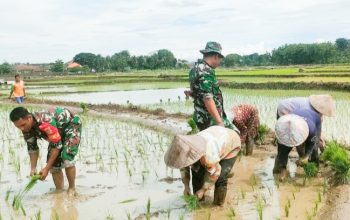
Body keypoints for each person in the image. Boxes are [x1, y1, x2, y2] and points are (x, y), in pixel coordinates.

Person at [9, 107, 82, 193]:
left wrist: (46, 169)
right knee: (54, 165)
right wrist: (33, 168)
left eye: (23, 125)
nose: (22, 129)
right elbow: (32, 148)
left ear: (29, 118)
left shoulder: (45, 122)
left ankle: (72, 188)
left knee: (67, 157)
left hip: (70, 124)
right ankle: (59, 191)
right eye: (18, 127)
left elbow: (57, 146)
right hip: (56, 133)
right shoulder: (26, 128)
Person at [164, 126, 241, 206]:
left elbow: (215, 173)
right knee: (196, 171)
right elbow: (183, 168)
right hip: (215, 135)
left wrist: (203, 190)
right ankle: (199, 201)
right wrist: (186, 186)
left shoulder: (209, 155)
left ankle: (218, 205)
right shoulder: (184, 150)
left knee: (221, 178)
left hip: (231, 142)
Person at [188, 41, 235, 131]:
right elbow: (208, 98)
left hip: (199, 117)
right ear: (216, 56)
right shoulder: (206, 71)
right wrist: (219, 122)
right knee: (235, 135)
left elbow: (197, 92)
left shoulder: (194, 69)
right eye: (220, 59)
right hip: (210, 119)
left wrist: (191, 93)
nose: (220, 62)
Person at [273, 109, 322, 181]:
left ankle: (314, 170)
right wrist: (282, 166)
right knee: (282, 151)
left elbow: (312, 143)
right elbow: (281, 150)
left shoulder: (311, 128)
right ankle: (279, 171)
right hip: (292, 121)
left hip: (312, 120)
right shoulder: (281, 127)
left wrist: (307, 155)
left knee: (314, 149)